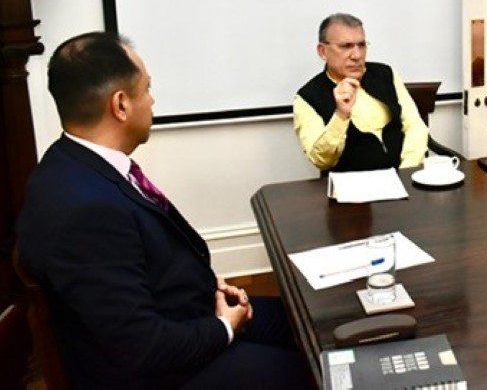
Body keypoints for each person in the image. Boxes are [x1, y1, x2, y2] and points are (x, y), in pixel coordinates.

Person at [16, 32, 311, 388]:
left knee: (308, 323)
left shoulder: (68, 163)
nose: (152, 100)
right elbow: (141, 348)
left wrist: (207, 285)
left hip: (185, 313)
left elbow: (132, 266)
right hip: (163, 372)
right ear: (121, 105)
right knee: (315, 369)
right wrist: (223, 328)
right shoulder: (88, 212)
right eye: (147, 89)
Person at [293, 13, 429, 172]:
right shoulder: (307, 98)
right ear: (323, 51)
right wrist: (340, 115)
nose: (357, 55)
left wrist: (407, 172)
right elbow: (322, 160)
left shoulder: (386, 74)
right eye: (346, 46)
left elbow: (414, 125)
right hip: (353, 186)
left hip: (404, 177)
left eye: (362, 45)